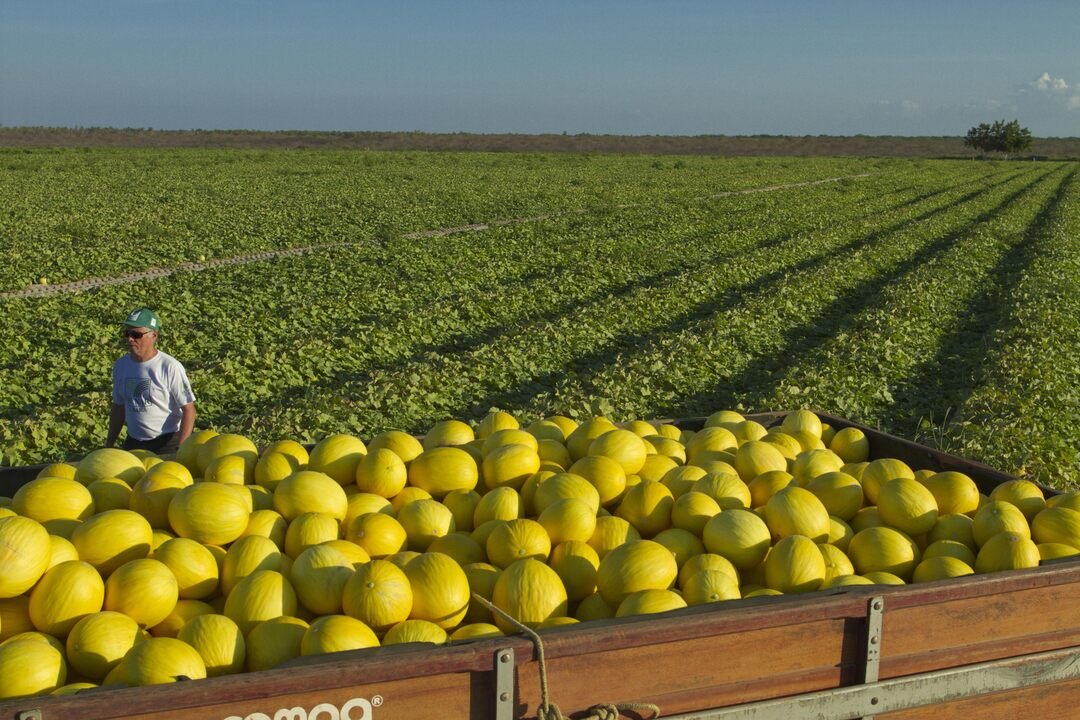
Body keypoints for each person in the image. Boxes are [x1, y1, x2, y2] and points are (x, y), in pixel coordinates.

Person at [105, 307, 196, 455]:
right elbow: (118, 406)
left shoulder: (169, 367)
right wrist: (109, 444)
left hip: (167, 443)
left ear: (154, 335)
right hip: (134, 443)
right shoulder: (121, 365)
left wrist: (182, 449)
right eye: (127, 333)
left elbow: (189, 410)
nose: (130, 339)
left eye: (136, 334)